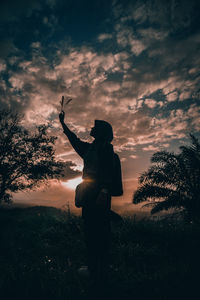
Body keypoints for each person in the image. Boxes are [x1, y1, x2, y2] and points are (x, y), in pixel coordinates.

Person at [59, 110, 118, 289]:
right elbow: (74, 141)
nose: (91, 128)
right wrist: (63, 124)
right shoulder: (91, 149)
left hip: (99, 196)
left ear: (101, 132)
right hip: (90, 197)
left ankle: (101, 272)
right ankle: (95, 270)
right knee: (91, 233)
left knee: (100, 233)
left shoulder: (105, 149)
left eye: (95, 127)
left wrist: (104, 192)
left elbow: (109, 174)